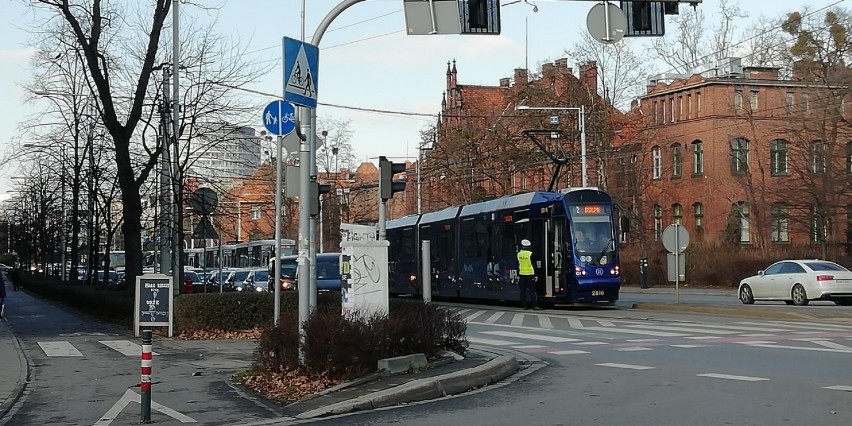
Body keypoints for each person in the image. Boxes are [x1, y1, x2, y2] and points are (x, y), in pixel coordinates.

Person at [517, 239, 539, 310]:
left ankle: (525, 306)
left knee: (523, 291)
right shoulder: (530, 254)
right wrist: (536, 275)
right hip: (530, 274)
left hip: (521, 274)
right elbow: (534, 265)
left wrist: (518, 275)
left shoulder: (519, 254)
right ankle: (534, 305)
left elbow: (517, 265)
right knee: (532, 291)